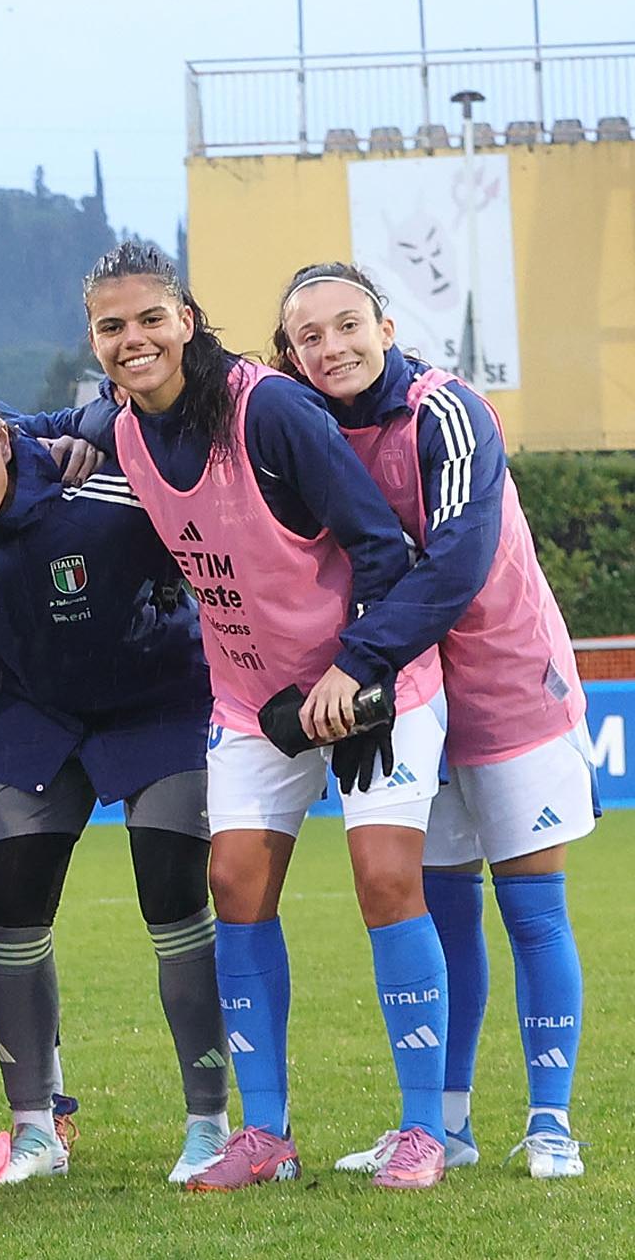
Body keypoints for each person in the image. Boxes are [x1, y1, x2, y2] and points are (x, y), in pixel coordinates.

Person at [62, 239, 449, 1192]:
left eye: (151, 317)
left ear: (187, 318)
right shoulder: (118, 426)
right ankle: (267, 1133)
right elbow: (37, 425)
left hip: (367, 678)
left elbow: (385, 548)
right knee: (234, 881)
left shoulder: (270, 408)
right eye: (111, 326)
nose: (133, 338)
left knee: (384, 876)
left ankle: (423, 1130)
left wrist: (355, 676)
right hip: (252, 699)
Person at [274, 262, 592, 1180]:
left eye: (346, 325)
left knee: (534, 912)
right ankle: (446, 1125)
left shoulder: (447, 410)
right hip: (414, 704)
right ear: (291, 351)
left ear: (384, 321)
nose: (331, 347)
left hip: (506, 685)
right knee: (446, 910)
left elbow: (455, 562)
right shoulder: (306, 425)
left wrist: (359, 660)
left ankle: (551, 1119)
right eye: (310, 336)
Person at [0, 374, 229, 1183]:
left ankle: (209, 1123)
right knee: (9, 906)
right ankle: (36, 1131)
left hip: (157, 705)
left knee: (171, 892)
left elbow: (212, 526)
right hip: (36, 719)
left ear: (4, 440)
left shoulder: (106, 494)